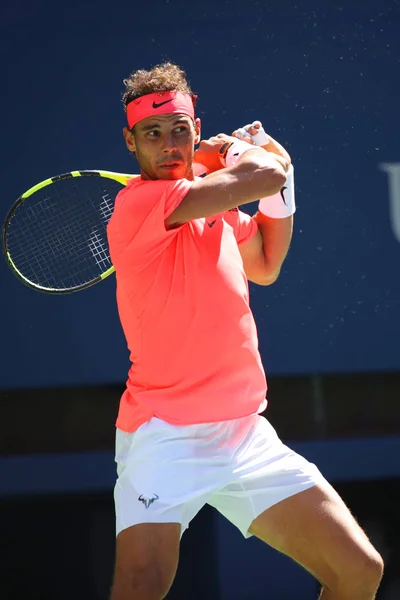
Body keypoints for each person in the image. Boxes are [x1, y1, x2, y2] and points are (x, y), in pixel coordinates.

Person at [106, 62, 383, 600]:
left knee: (358, 570)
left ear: (195, 126)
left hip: (243, 434)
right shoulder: (140, 203)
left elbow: (266, 262)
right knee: (141, 587)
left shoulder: (211, 199)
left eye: (180, 131)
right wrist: (240, 156)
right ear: (130, 142)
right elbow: (260, 177)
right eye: (153, 134)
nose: (169, 145)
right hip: (165, 436)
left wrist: (281, 179)